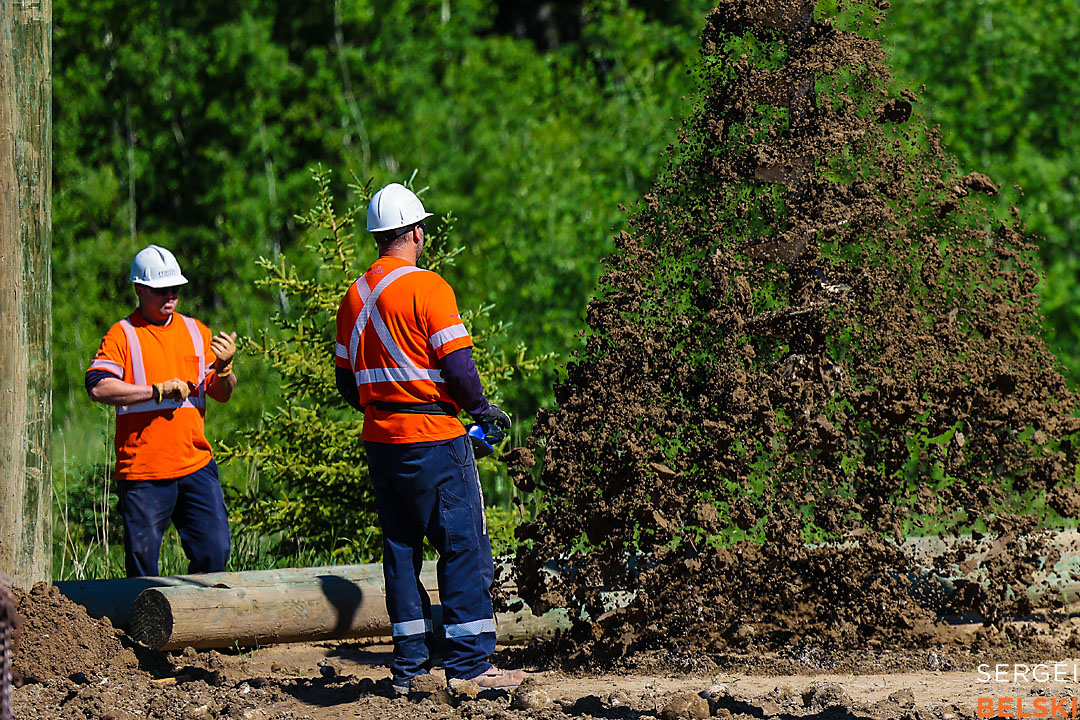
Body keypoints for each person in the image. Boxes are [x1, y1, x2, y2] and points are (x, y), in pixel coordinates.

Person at [335, 183, 524, 693]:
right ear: (416, 232)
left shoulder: (354, 297)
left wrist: (390, 409)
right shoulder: (429, 287)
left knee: (400, 550)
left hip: (382, 441)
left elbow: (347, 383)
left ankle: (410, 668)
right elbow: (459, 367)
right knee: (463, 545)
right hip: (434, 437)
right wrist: (482, 411)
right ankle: (469, 667)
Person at [85, 244, 238, 578]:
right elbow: (98, 386)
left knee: (215, 550)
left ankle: (202, 623)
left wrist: (224, 369)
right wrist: (154, 391)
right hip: (144, 472)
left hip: (195, 464)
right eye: (160, 290)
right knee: (142, 567)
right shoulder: (123, 334)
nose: (170, 296)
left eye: (175, 290)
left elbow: (222, 394)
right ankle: (141, 628)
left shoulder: (196, 331)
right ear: (139, 289)